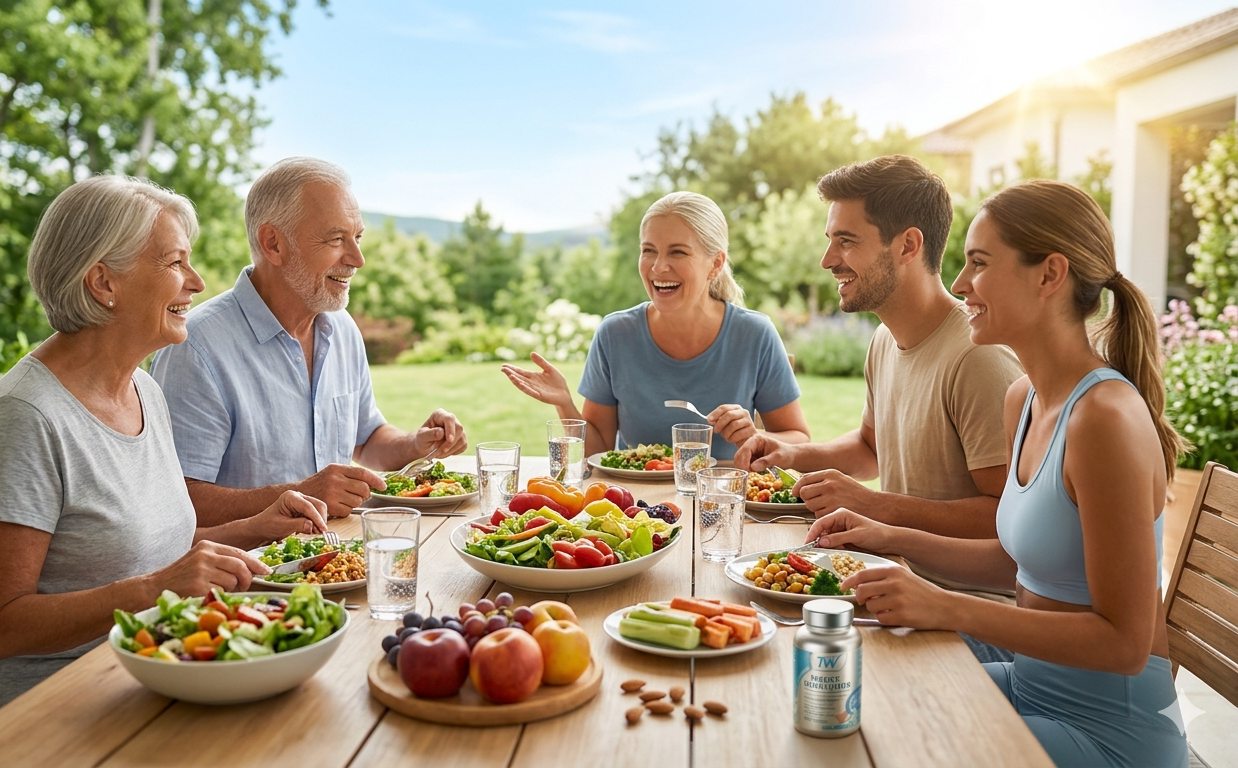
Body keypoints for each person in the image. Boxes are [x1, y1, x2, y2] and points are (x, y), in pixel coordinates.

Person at [809, 179, 1188, 768]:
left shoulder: (1105, 420)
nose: (960, 285)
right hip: (1031, 689)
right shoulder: (1025, 399)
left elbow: (1125, 644)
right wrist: (885, 537)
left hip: (1108, 733)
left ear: (1049, 275)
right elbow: (1023, 560)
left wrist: (945, 606)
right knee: (846, 707)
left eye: (979, 264)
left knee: (882, 750)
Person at [0, 176, 327, 737]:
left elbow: (147, 550)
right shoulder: (25, 418)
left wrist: (252, 529)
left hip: (142, 682)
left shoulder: (143, 390)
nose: (197, 283)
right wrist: (155, 591)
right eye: (175, 263)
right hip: (37, 721)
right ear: (104, 281)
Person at [150, 158, 467, 524]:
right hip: (248, 576)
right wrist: (299, 494)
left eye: (358, 237)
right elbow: (177, 500)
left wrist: (415, 443)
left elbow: (365, 440)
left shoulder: (341, 328)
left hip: (337, 562)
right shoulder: (196, 347)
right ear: (274, 244)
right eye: (336, 239)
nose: (358, 259)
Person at [736, 156, 1022, 539]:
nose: (827, 261)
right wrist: (790, 454)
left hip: (951, 593)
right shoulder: (885, 340)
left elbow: (1007, 518)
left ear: (907, 246)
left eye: (846, 241)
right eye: (830, 242)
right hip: (891, 570)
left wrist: (871, 504)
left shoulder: (977, 357)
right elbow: (870, 450)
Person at [501, 191, 808, 462]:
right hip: (635, 511)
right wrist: (564, 403)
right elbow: (598, 450)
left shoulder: (754, 335)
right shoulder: (615, 334)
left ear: (715, 264)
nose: (658, 267)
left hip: (721, 501)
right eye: (649, 250)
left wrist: (755, 436)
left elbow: (799, 439)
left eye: (678, 252)